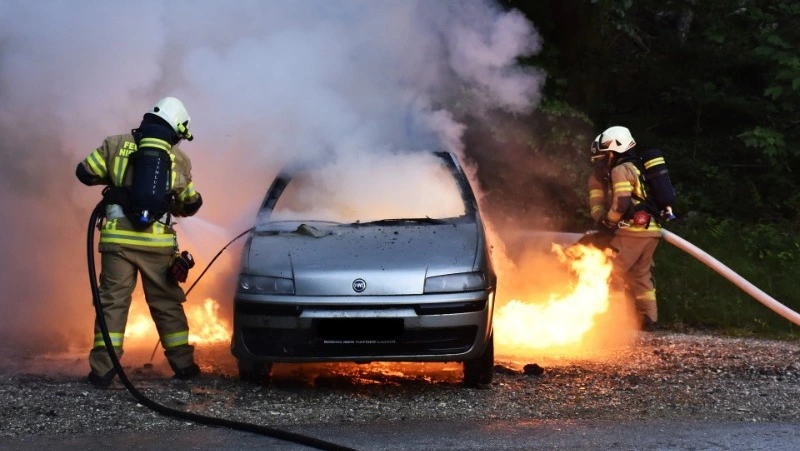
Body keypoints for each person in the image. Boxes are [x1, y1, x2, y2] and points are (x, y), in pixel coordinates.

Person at [76, 96, 204, 387]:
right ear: (175, 128)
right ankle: (184, 366)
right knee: (167, 304)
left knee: (112, 304)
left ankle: (102, 371)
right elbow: (189, 203)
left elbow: (84, 172)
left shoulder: (115, 144)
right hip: (157, 247)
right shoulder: (179, 159)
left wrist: (118, 186)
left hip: (116, 244)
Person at [587, 125, 661, 330]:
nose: (602, 160)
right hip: (651, 232)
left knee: (611, 271)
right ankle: (649, 319)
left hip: (632, 232)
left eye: (605, 155)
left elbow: (621, 203)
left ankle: (615, 321)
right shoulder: (636, 168)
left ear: (614, 151)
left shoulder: (620, 170)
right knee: (641, 275)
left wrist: (608, 222)